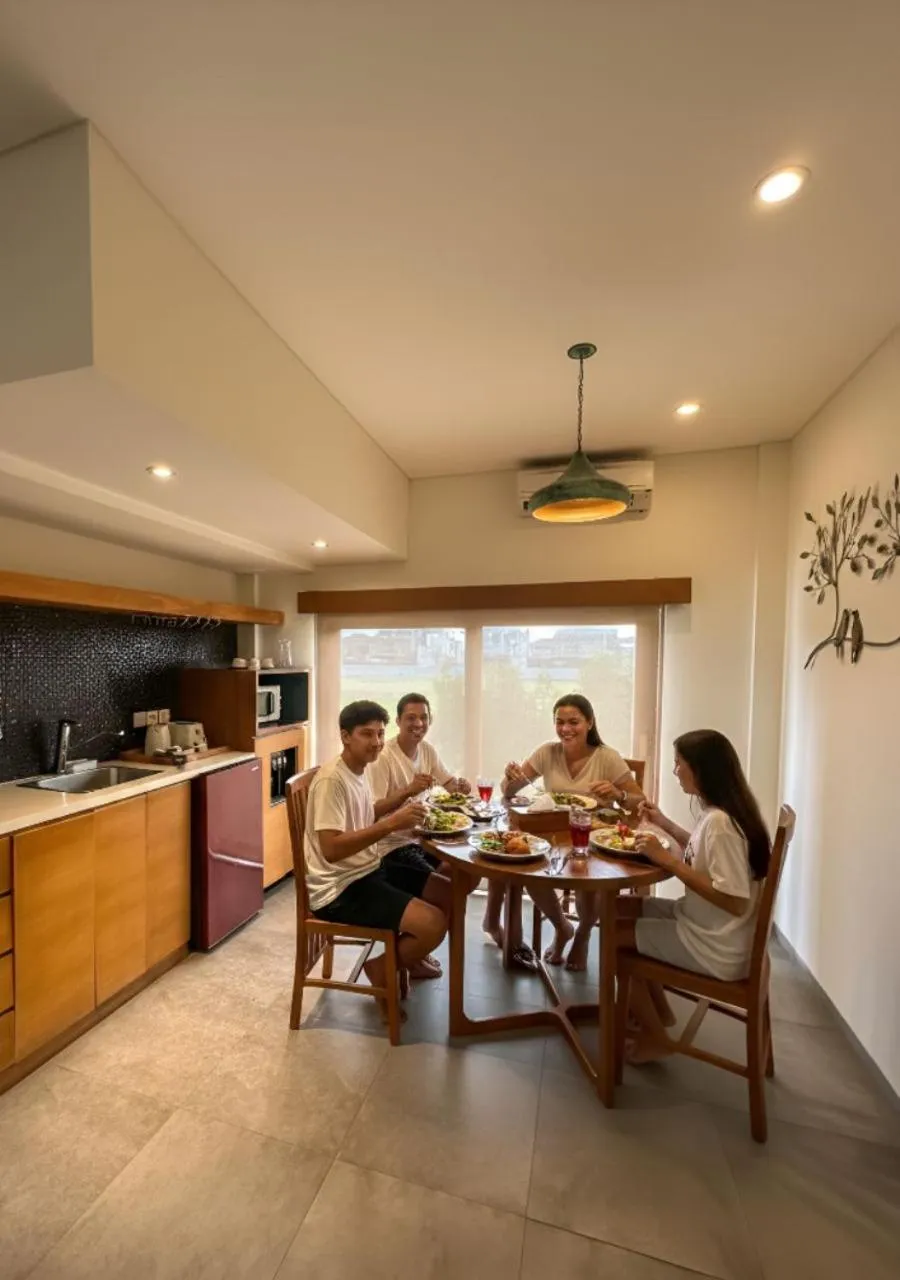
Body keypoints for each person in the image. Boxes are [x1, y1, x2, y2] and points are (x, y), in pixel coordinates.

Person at [618, 728, 771, 1063]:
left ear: (702, 769)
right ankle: (658, 1015)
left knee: (613, 940)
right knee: (620, 907)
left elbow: (734, 900)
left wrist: (667, 860)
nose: (675, 771)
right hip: (711, 928)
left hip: (714, 945)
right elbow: (706, 856)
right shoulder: (723, 813)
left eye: (679, 764)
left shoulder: (721, 823)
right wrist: (666, 825)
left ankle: (656, 1037)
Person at [304, 700, 450, 1021]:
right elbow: (331, 849)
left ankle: (404, 960)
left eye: (381, 734)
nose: (377, 742)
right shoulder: (333, 781)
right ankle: (381, 970)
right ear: (345, 737)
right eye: (367, 734)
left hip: (368, 868)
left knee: (448, 892)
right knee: (433, 923)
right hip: (340, 888)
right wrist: (392, 824)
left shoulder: (359, 771)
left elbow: (365, 813)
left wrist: (399, 813)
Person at [485, 693, 644, 971]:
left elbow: (639, 800)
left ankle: (582, 935)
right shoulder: (548, 752)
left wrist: (618, 792)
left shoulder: (607, 757)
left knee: (588, 877)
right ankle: (562, 926)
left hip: (593, 834)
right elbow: (509, 792)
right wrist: (510, 778)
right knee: (531, 869)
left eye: (574, 722)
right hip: (552, 833)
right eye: (560, 722)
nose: (565, 729)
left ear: (590, 722)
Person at [367, 692, 471, 980]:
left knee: (459, 872)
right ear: (398, 721)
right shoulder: (384, 758)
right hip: (388, 849)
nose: (418, 723)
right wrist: (408, 791)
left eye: (423, 717)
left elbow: (449, 784)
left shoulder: (427, 751)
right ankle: (392, 963)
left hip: (419, 840)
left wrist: (460, 786)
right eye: (411, 717)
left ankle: (417, 950)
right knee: (448, 893)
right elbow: (372, 812)